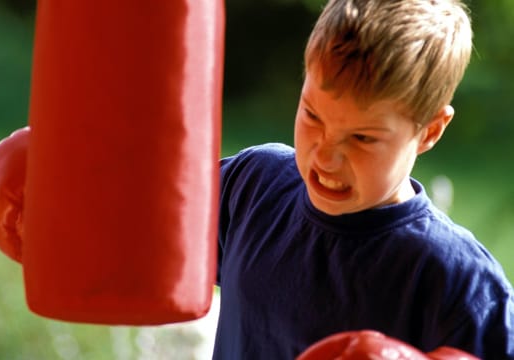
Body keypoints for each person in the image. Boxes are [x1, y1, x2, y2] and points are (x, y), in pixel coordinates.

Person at [214, 0, 514, 359]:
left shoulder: (458, 282)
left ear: (430, 131)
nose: (325, 156)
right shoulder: (252, 188)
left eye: (362, 138)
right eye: (312, 115)